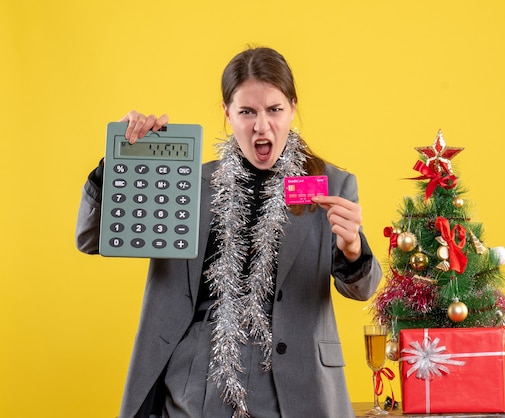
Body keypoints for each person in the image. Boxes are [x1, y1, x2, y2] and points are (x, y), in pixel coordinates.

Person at [76, 46, 382, 418]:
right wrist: (122, 157)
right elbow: (91, 239)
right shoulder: (188, 180)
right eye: (246, 112)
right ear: (227, 112)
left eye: (274, 109)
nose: (261, 126)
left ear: (293, 107)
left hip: (297, 387)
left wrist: (352, 247)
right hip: (197, 385)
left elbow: (362, 289)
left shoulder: (331, 183)